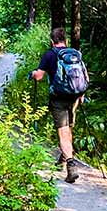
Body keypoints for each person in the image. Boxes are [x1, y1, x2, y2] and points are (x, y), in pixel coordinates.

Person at [29, 27, 88, 183]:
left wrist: (33, 74)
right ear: (65, 40)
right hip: (74, 96)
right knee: (69, 128)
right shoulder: (74, 54)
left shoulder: (49, 54)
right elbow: (82, 76)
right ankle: (64, 158)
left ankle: (71, 166)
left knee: (62, 132)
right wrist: (81, 95)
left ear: (51, 41)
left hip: (58, 99)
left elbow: (39, 76)